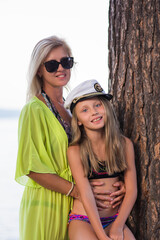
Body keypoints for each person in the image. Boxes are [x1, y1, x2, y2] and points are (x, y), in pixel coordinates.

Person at [15, 36, 126, 240]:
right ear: (39, 69)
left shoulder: (73, 109)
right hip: (48, 205)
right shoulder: (34, 110)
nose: (60, 69)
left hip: (81, 207)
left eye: (66, 62)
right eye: (51, 64)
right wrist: (78, 192)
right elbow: (31, 169)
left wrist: (117, 182)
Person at [65, 79, 137, 240]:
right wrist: (102, 236)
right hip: (84, 220)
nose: (94, 112)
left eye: (98, 105)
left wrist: (118, 226)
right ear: (78, 121)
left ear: (106, 107)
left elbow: (132, 190)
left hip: (115, 219)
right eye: (85, 110)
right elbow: (85, 193)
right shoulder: (75, 151)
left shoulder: (124, 144)